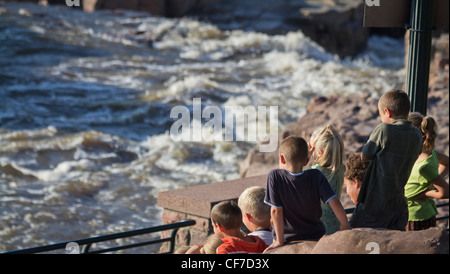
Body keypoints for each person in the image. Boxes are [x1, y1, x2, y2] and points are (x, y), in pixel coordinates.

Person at [350, 89, 423, 230]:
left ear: (387, 112)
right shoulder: (417, 135)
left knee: (352, 238)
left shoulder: (384, 129)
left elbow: (365, 155)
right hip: (399, 206)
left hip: (374, 204)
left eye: (380, 114)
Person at [264, 136, 350, 251]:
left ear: (282, 158)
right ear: (306, 161)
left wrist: (279, 241)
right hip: (315, 236)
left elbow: (276, 210)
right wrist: (346, 227)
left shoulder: (275, 176)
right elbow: (334, 202)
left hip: (288, 238)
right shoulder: (316, 175)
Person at [404, 112, 449, 231]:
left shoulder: (423, 166)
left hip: (416, 217)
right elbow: (447, 162)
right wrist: (435, 180)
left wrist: (426, 192)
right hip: (419, 213)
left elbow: (445, 192)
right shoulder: (432, 154)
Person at [308, 124, 345, 235]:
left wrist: (307, 157)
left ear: (319, 152)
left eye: (311, 148)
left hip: (319, 227)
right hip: (334, 224)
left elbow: (297, 179)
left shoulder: (315, 172)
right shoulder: (340, 168)